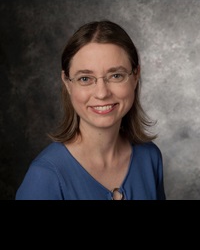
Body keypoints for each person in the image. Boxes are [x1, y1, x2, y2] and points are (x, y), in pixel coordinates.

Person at [15, 20, 166, 200]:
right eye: (85, 78)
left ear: (135, 76)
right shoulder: (45, 176)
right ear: (67, 83)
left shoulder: (150, 157)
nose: (102, 93)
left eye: (116, 75)